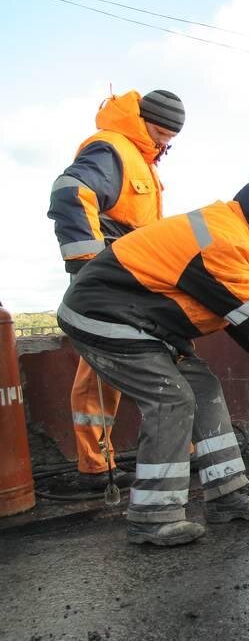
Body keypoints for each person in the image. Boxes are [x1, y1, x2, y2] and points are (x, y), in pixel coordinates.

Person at [56, 174, 249, 546]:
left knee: (203, 386)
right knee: (171, 397)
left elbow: (234, 311)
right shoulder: (219, 239)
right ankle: (152, 517)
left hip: (143, 320)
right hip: (103, 314)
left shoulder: (225, 233)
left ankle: (227, 495)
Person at [47, 89, 185, 491]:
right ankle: (95, 468)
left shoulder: (140, 159)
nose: (165, 143)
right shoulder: (113, 149)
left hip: (135, 276)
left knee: (145, 357)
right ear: (142, 121)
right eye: (160, 132)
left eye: (171, 137)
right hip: (111, 278)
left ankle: (170, 453)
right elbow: (71, 192)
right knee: (101, 364)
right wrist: (89, 267)